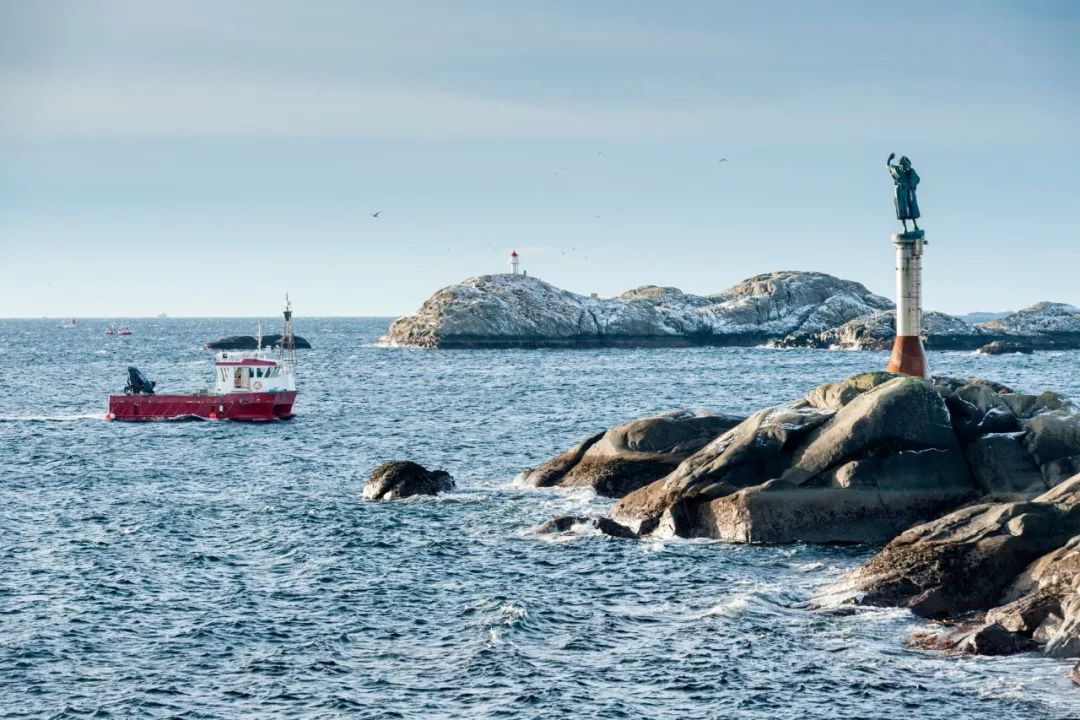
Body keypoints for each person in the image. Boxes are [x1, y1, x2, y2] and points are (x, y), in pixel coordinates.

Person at [887, 153, 921, 232]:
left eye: (905, 165)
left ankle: (915, 225)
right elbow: (888, 166)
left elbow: (917, 179)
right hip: (900, 191)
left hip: (909, 191)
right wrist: (890, 158)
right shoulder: (896, 169)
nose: (903, 167)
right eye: (901, 165)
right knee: (902, 209)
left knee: (912, 208)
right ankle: (904, 227)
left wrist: (912, 184)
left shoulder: (911, 172)